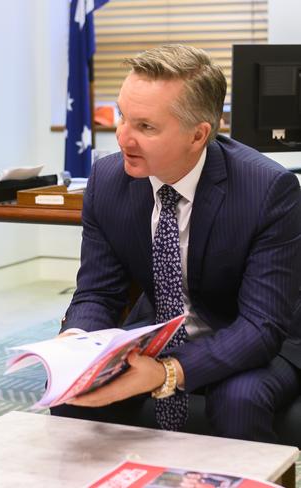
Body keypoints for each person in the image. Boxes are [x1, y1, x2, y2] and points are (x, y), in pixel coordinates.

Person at [52, 44, 301, 442]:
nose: (123, 138)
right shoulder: (107, 180)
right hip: (156, 332)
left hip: (256, 337)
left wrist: (168, 371)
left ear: (199, 135)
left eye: (145, 127)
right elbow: (98, 292)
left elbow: (260, 325)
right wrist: (76, 344)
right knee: (73, 396)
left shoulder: (267, 189)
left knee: (239, 401)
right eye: (121, 117)